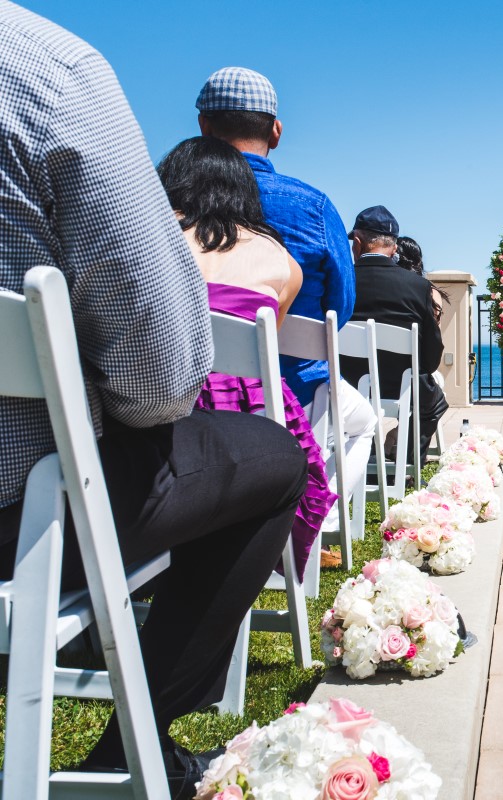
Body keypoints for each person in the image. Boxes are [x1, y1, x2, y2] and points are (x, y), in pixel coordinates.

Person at [0, 5, 307, 796]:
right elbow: (159, 379)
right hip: (23, 518)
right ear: (272, 131)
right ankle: (131, 739)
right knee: (274, 454)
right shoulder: (45, 71)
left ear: (202, 125)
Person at [196, 66, 374, 566]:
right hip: (293, 394)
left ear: (204, 127)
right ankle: (321, 524)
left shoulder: (171, 201)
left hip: (183, 392)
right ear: (276, 129)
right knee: (364, 424)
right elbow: (339, 307)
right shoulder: (312, 206)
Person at [157, 136, 337, 580]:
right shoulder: (278, 261)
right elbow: (259, 358)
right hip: (241, 420)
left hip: (153, 414)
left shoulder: (148, 244)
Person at [340, 207, 447, 463]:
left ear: (357, 242)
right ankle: (407, 462)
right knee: (433, 402)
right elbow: (431, 356)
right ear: (394, 247)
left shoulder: (341, 281)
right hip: (402, 384)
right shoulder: (417, 286)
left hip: (347, 385)